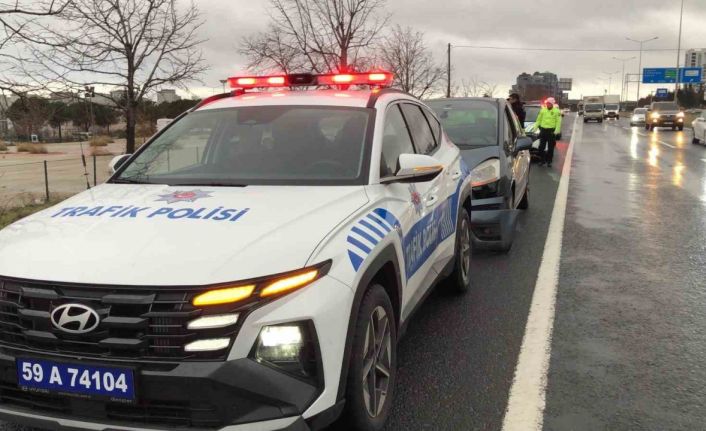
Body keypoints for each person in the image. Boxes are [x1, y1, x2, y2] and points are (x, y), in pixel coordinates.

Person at [532, 97, 562, 167]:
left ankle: (549, 161)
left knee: (550, 148)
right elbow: (538, 120)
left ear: (552, 104)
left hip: (551, 131)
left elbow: (558, 122)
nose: (548, 104)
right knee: (541, 147)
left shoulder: (556, 111)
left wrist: (556, 131)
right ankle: (542, 160)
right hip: (543, 130)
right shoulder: (543, 110)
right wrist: (535, 128)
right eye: (547, 103)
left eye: (549, 103)